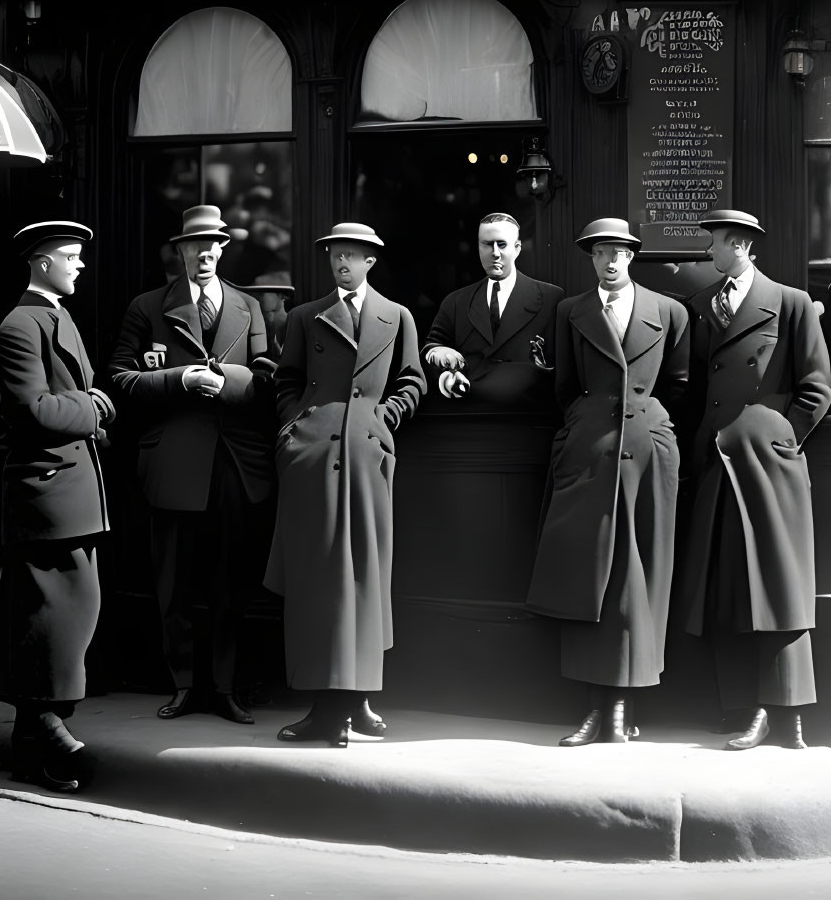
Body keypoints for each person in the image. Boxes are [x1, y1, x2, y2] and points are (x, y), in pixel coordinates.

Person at [108, 205, 275, 726]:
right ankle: (182, 684)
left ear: (224, 249)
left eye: (213, 244)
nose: (204, 253)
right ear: (178, 250)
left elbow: (268, 376)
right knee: (173, 582)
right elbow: (117, 378)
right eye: (193, 245)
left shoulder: (248, 307)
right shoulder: (148, 307)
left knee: (230, 581)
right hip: (175, 460)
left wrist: (233, 383)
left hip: (233, 462)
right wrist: (179, 379)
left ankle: (224, 687)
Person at [526, 218, 689, 745]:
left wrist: (648, 427)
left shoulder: (669, 311)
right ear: (590, 258)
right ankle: (594, 708)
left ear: (633, 256)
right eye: (600, 253)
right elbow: (565, 386)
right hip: (589, 450)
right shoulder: (571, 312)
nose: (610, 261)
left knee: (639, 574)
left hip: (646, 452)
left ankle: (624, 706)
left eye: (619, 251)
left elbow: (680, 383)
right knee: (589, 574)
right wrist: (584, 429)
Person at [264, 222, 425, 746]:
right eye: (335, 254)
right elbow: (287, 380)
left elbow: (412, 380)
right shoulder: (305, 317)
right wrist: (295, 430)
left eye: (352, 255)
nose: (342, 263)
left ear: (370, 262)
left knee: (364, 579)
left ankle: (357, 700)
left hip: (365, 459)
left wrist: (382, 422)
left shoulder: (396, 316)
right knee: (318, 582)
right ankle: (325, 706)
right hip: (314, 459)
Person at [680, 209, 831, 750]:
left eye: (716, 244)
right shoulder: (702, 307)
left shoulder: (789, 302)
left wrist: (780, 440)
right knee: (725, 586)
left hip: (769, 468)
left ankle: (785, 714)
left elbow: (817, 387)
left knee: (777, 586)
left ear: (741, 245)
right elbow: (697, 388)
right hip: (718, 464)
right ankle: (740, 706)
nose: (709, 253)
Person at [0, 220, 114, 793]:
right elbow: (34, 410)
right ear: (42, 262)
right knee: (51, 616)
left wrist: (84, 404)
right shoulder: (21, 325)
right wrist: (93, 408)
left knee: (62, 613)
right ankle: (45, 725)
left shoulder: (54, 317)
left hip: (68, 489)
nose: (79, 264)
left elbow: (60, 399)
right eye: (71, 256)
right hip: (46, 490)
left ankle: (33, 749)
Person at [422, 212, 561, 410]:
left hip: (528, 418)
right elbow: (431, 348)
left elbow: (563, 367)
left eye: (502, 244)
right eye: (487, 244)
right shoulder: (456, 302)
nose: (494, 253)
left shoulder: (551, 299)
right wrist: (444, 369)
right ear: (478, 247)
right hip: (468, 416)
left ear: (517, 248)